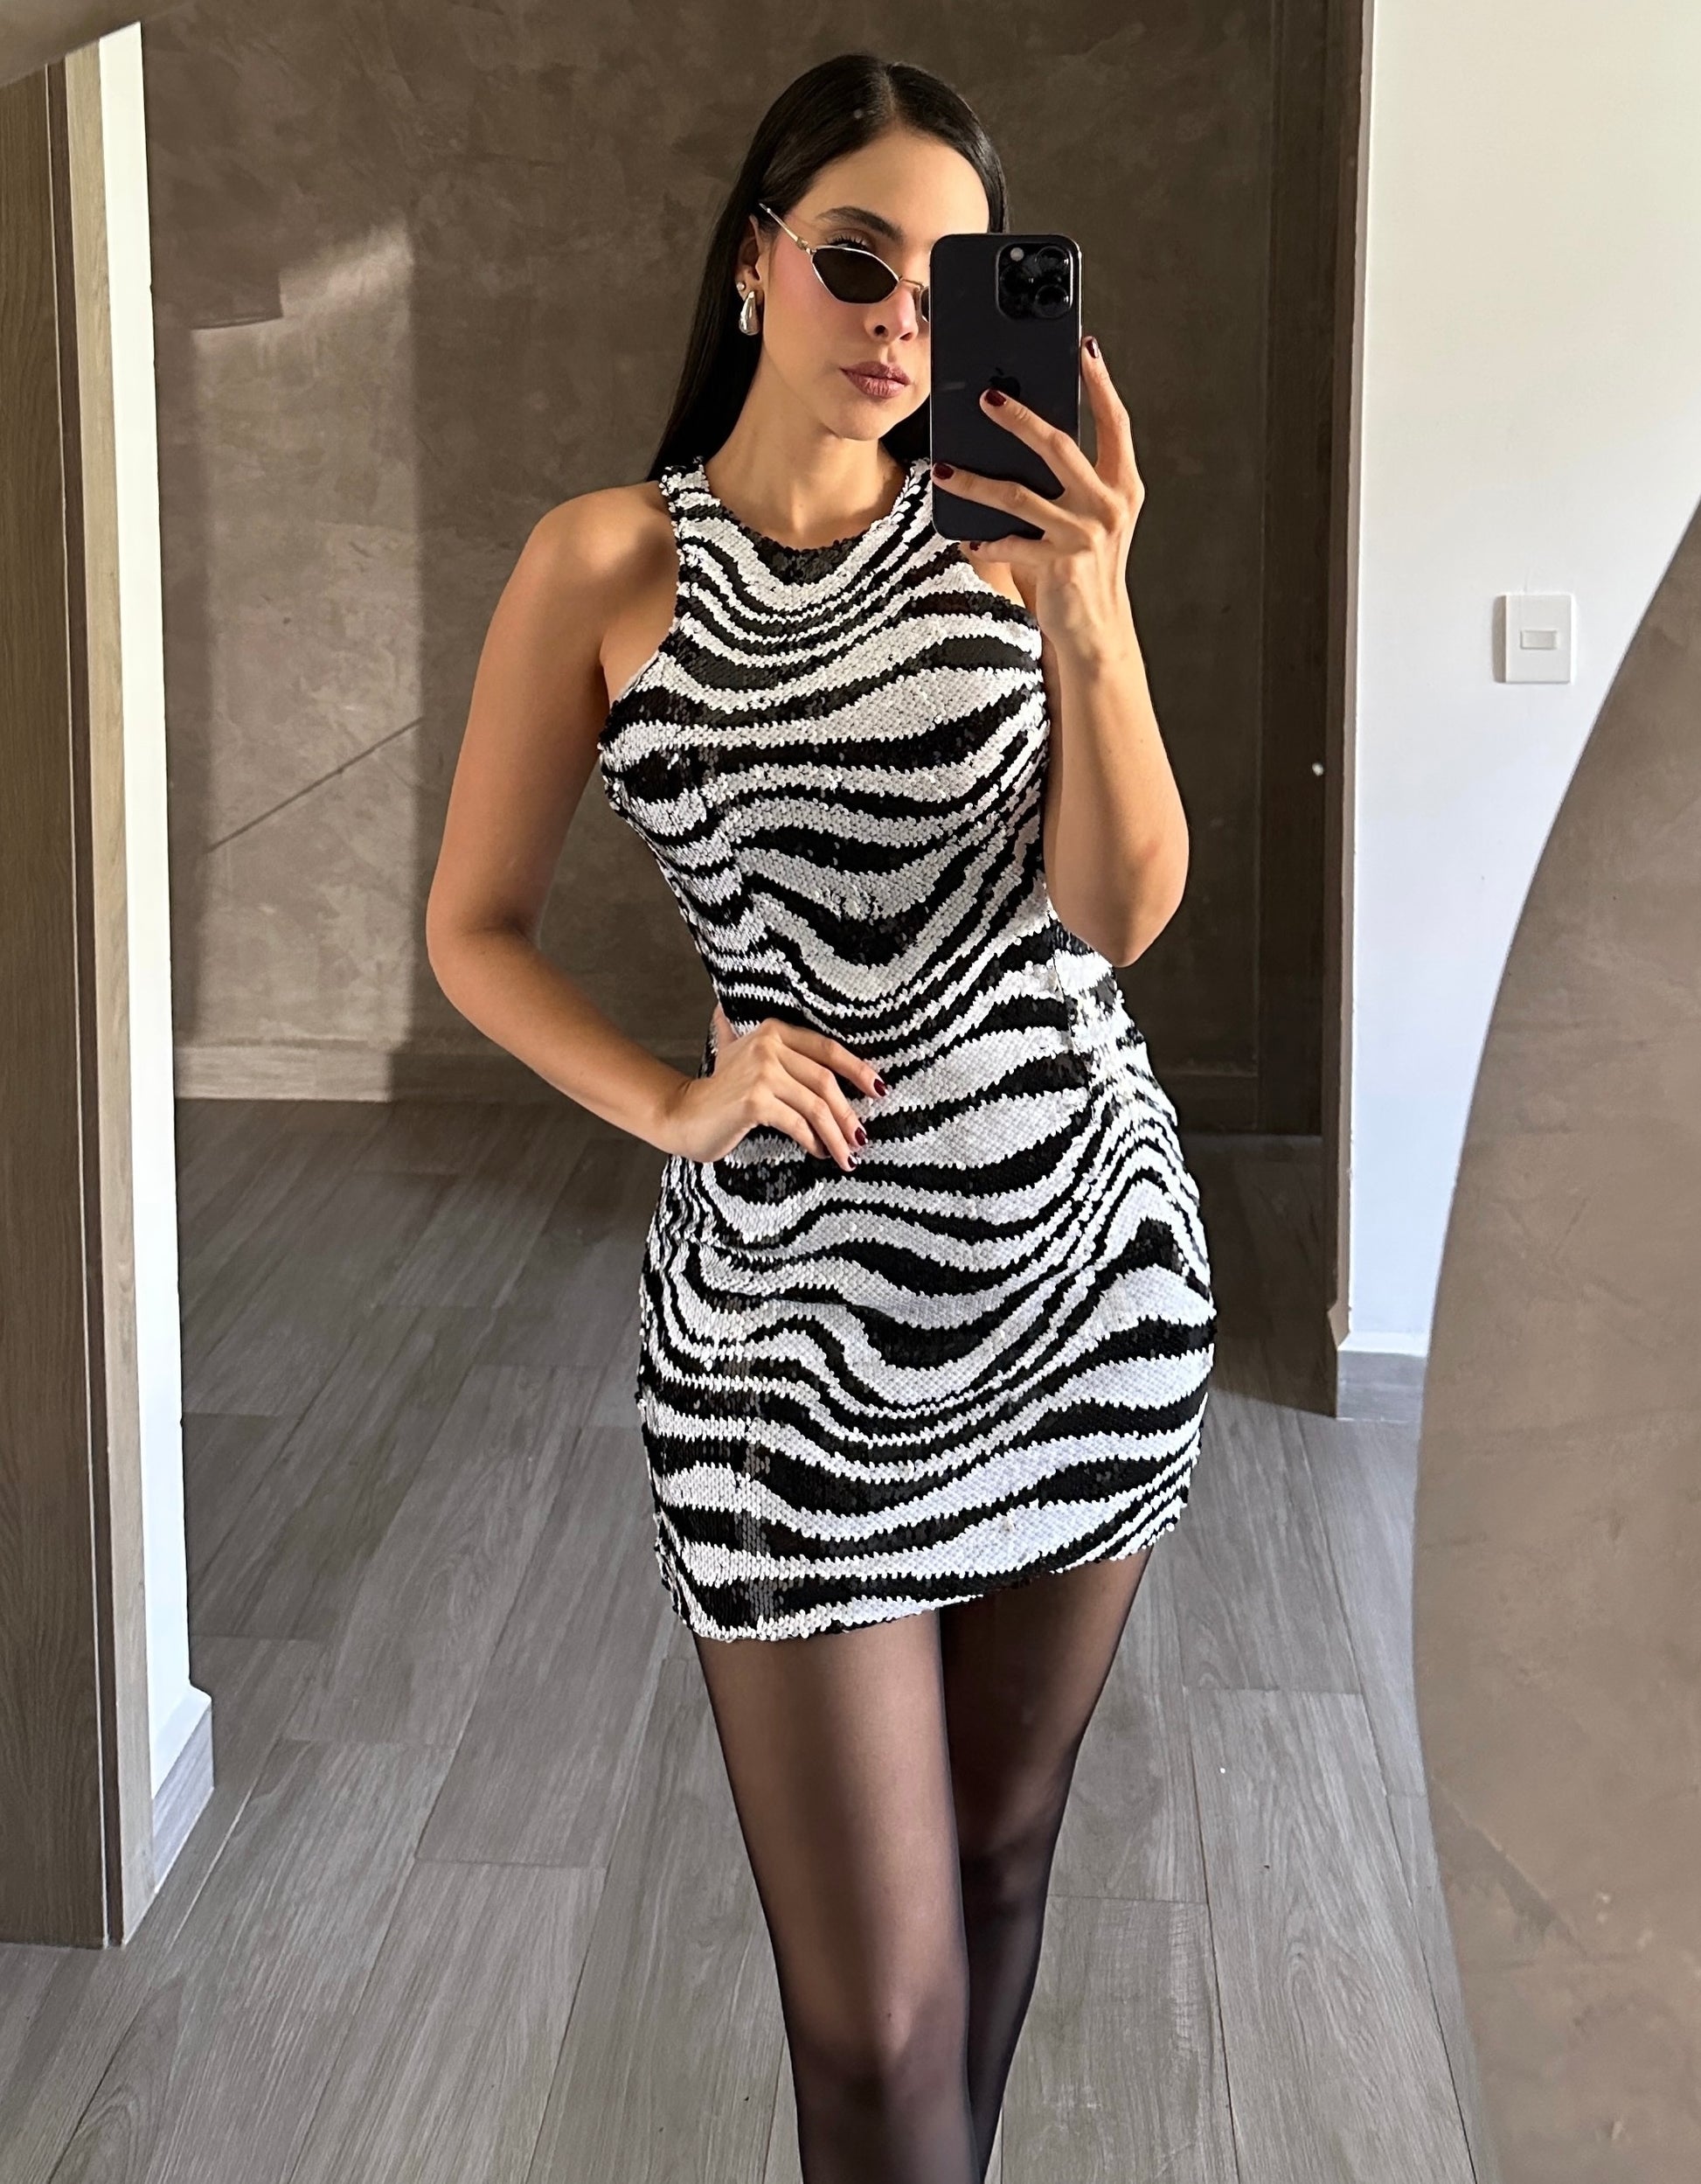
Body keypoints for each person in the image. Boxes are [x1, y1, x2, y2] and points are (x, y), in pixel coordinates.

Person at [427, 50, 1215, 2184]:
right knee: (871, 2029)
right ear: (755, 262)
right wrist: (677, 1098)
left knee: (1003, 1866)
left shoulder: (1014, 549)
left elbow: (1118, 911)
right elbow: (472, 929)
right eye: (858, 261)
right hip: (785, 1345)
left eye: (952, 288)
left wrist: (1092, 606)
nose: (897, 320)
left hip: (1082, 1279)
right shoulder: (607, 564)